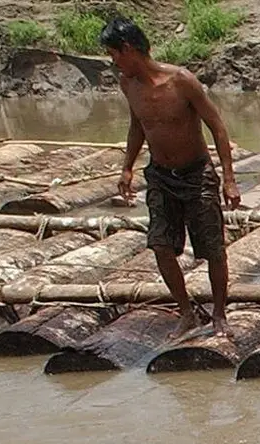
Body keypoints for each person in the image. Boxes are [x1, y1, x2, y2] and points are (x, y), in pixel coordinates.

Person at [102, 17, 240, 338]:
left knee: (213, 249)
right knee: (161, 246)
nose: (114, 62)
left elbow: (217, 127)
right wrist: (127, 167)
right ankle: (187, 313)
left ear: (129, 49)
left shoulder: (181, 81)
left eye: (114, 54)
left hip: (196, 174)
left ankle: (219, 315)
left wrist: (229, 178)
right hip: (160, 176)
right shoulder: (128, 84)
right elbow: (138, 126)